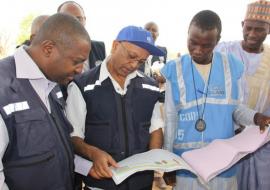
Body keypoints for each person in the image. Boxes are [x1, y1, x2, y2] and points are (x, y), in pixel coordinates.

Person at [161, 10, 270, 190]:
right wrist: (169, 160)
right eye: (193, 43)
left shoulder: (232, 66)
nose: (198, 50)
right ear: (187, 34)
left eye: (206, 45)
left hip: (223, 165)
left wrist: (255, 117)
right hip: (187, 164)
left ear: (217, 41)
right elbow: (171, 118)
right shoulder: (175, 69)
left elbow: (236, 110)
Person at [65, 25, 165, 190]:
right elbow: (73, 137)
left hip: (141, 184)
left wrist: (154, 163)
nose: (134, 65)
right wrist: (93, 153)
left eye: (141, 61)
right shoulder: (82, 86)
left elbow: (155, 129)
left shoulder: (150, 87)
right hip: (102, 184)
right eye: (131, 56)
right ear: (115, 46)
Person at [0, 13, 91, 190]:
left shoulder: (52, 84)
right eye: (76, 62)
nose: (80, 70)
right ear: (48, 49)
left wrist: (88, 167)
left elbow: (53, 150)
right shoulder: (4, 88)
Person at [215, 1, 270, 189]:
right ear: (242, 25)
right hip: (224, 135)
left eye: (259, 30)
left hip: (259, 138)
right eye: (249, 28)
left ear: (269, 30)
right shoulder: (222, 51)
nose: (252, 34)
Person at [57, 1, 106, 71]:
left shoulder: (99, 48)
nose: (75, 23)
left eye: (78, 18)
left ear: (85, 20)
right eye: (68, 19)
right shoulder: (53, 51)